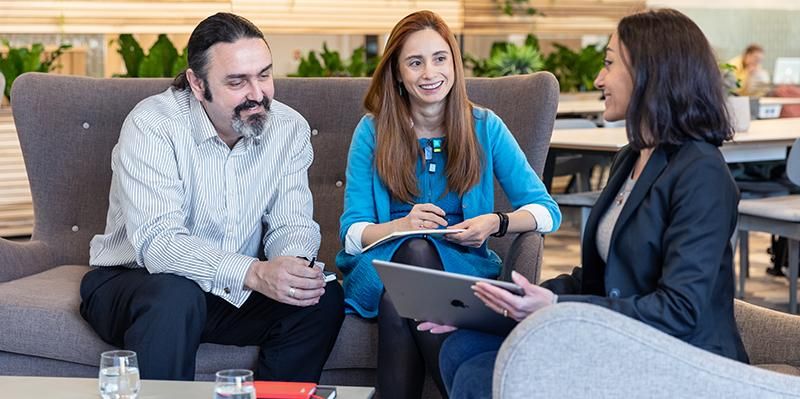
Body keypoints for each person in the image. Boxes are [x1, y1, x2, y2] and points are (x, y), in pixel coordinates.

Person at [434, 8, 750, 398]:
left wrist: (555, 307)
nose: (599, 78)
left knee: (481, 376)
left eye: (609, 64)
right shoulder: (630, 157)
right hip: (621, 338)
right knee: (462, 347)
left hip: (681, 358)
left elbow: (680, 310)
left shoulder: (700, 172)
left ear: (651, 72)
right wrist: (497, 306)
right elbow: (599, 281)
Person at [79, 12, 344, 381]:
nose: (258, 95)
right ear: (197, 83)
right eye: (237, 81)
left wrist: (290, 269)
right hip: (136, 284)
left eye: (264, 75)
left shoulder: (288, 128)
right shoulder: (153, 125)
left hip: (229, 290)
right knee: (176, 295)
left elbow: (291, 222)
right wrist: (253, 272)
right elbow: (160, 244)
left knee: (319, 301)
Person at [335, 10, 561, 399]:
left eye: (440, 58)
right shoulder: (372, 131)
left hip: (461, 263)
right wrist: (400, 226)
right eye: (415, 62)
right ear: (398, 72)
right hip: (381, 265)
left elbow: (546, 211)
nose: (429, 72)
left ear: (454, 64)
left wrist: (495, 222)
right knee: (415, 249)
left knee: (398, 301)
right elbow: (353, 233)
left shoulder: (484, 126)